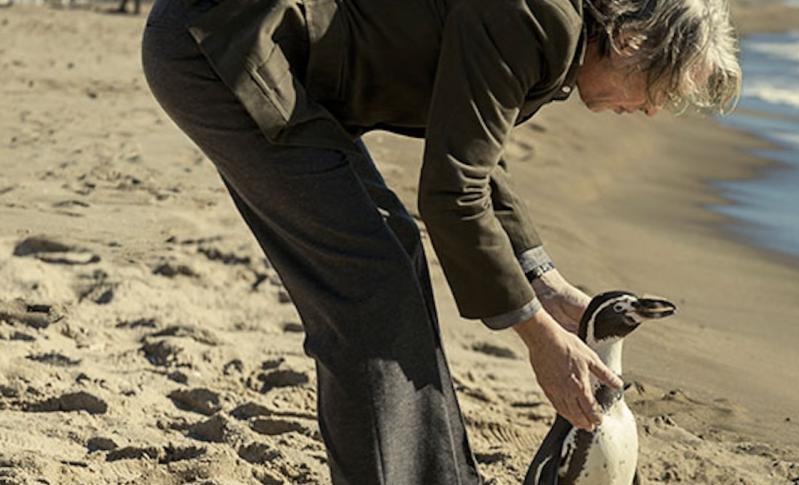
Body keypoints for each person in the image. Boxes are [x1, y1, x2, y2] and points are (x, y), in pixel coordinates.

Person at [141, 0, 740, 483]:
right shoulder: (539, 18)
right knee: (369, 283)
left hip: (260, 52)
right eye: (660, 89)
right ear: (633, 40)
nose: (655, 111)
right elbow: (453, 193)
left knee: (391, 250)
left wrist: (546, 283)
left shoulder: (555, 25)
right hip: (225, 47)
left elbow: (473, 150)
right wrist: (539, 337)